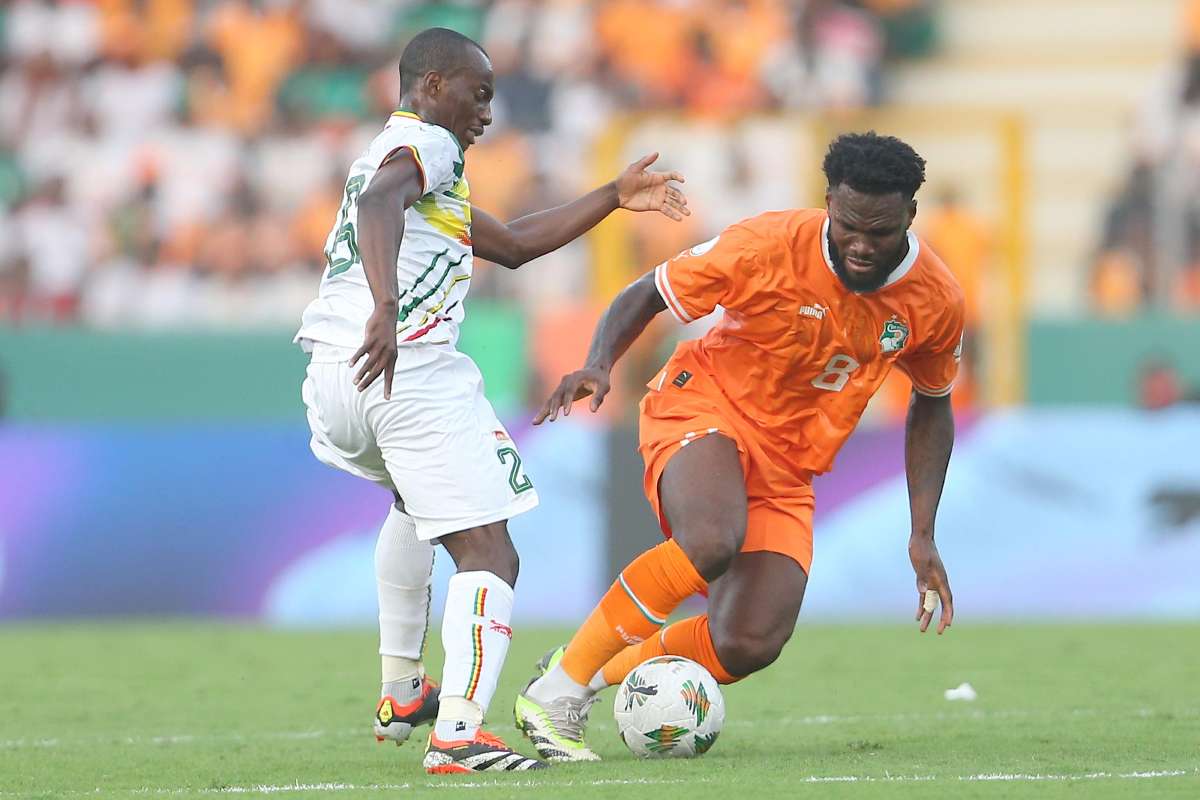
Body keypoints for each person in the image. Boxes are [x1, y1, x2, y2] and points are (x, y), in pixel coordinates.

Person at [294, 27, 688, 775]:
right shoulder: (427, 146)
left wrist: (611, 195)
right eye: (477, 94)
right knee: (489, 551)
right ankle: (458, 736)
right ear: (431, 85)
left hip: (333, 376)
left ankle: (403, 690)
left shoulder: (389, 153)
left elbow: (512, 244)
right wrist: (387, 307)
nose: (485, 113)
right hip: (402, 364)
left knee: (417, 507)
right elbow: (382, 204)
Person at [514, 132, 963, 762]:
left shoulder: (935, 299)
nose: (862, 245)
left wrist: (922, 532)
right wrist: (600, 363)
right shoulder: (767, 245)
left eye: (880, 232)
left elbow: (932, 405)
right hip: (702, 403)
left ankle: (583, 670)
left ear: (910, 216)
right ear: (829, 200)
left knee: (748, 642)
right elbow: (648, 291)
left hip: (789, 464)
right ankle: (553, 697)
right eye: (849, 225)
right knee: (711, 540)